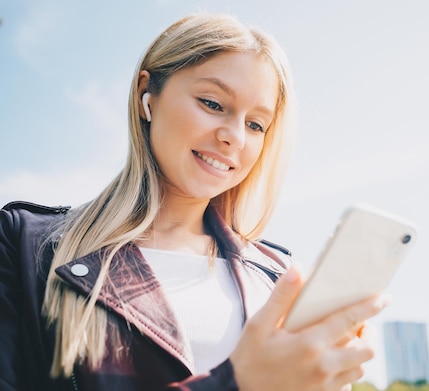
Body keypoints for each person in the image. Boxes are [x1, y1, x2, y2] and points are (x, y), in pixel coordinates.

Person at [0, 12, 387, 391]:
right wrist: (238, 383)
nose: (235, 136)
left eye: (256, 125)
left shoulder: (275, 276)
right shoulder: (26, 246)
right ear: (145, 96)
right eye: (213, 104)